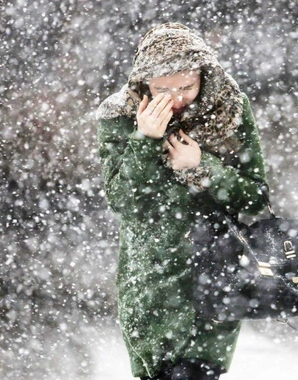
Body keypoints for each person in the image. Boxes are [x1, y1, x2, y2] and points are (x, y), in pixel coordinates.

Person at [96, 23, 268, 380]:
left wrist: (202, 167)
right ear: (144, 83)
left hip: (213, 278)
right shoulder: (119, 116)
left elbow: (255, 198)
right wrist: (144, 140)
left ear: (205, 77)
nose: (175, 99)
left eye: (187, 87)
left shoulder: (230, 109)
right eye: (162, 89)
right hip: (151, 282)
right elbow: (123, 203)